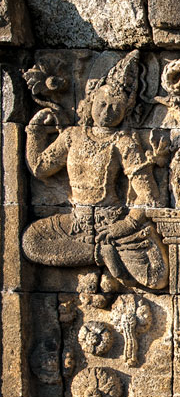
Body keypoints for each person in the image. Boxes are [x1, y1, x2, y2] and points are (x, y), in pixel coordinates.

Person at [22, 50, 168, 292]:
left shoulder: (124, 141)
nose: (106, 112)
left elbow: (148, 197)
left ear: (127, 111)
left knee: (156, 277)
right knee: (32, 242)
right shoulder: (72, 136)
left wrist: (122, 228)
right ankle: (100, 254)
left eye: (115, 107)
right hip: (76, 222)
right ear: (91, 100)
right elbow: (40, 167)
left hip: (111, 223)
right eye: (102, 103)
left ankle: (106, 248)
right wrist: (35, 130)